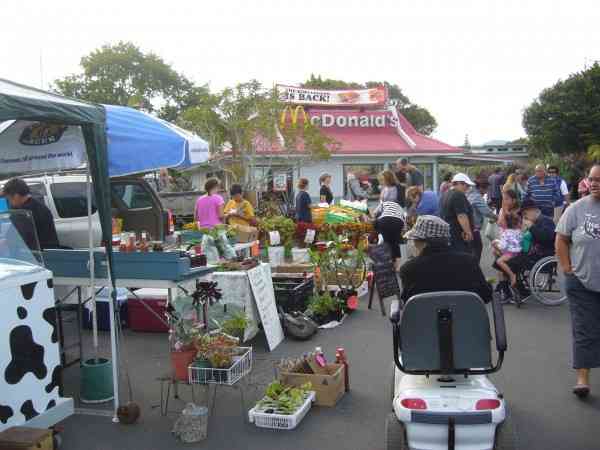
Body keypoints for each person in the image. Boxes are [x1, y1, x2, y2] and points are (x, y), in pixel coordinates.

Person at [556, 164, 600, 399]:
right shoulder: (576, 209)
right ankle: (583, 378)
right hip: (582, 282)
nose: (594, 183)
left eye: (599, 180)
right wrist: (566, 268)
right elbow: (561, 239)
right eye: (591, 179)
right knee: (584, 330)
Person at [400, 215, 492, 303]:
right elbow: (486, 296)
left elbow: (407, 302)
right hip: (466, 317)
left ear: (422, 242)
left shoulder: (408, 269)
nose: (413, 243)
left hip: (424, 318)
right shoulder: (469, 261)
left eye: (414, 240)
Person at [496, 198, 556, 298]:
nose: (524, 216)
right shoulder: (537, 221)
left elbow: (546, 238)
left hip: (542, 255)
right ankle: (506, 288)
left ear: (532, 210)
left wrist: (531, 227)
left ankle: (513, 289)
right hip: (533, 253)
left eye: (525, 213)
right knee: (501, 258)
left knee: (508, 261)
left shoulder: (546, 221)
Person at [2, 178, 59, 250]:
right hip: (47, 252)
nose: (9, 202)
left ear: (16, 196)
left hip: (34, 256)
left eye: (9, 199)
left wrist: (5, 242)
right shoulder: (39, 206)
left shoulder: (24, 213)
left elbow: (19, 238)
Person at [439, 173, 475, 253]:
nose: (468, 188)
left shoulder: (446, 194)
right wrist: (468, 232)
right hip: (457, 235)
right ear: (458, 183)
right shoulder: (458, 195)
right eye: (466, 185)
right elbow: (461, 215)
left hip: (448, 234)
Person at [467, 178, 497, 262]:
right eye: (486, 189)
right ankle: (474, 269)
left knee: (471, 250)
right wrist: (497, 217)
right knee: (477, 249)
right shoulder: (476, 196)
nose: (487, 191)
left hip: (468, 225)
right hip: (473, 227)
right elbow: (486, 211)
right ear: (481, 188)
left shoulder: (470, 193)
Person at [492, 212, 523, 290]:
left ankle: (511, 275)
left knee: (499, 261)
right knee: (497, 251)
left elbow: (503, 246)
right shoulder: (519, 232)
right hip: (518, 252)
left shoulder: (506, 233)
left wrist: (496, 244)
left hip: (511, 253)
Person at [373, 200, 405, 272]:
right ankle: (397, 266)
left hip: (384, 220)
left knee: (386, 241)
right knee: (395, 244)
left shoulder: (384, 204)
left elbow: (375, 213)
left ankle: (378, 239)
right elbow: (404, 220)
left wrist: (375, 222)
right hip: (398, 222)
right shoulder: (400, 207)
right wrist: (402, 233)